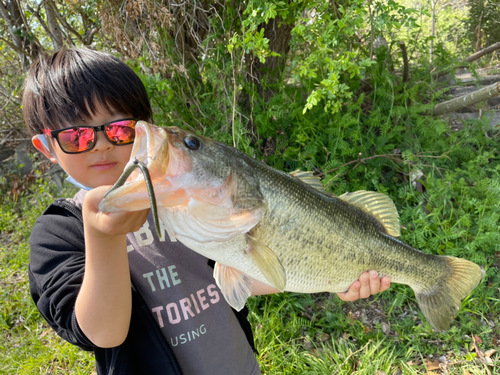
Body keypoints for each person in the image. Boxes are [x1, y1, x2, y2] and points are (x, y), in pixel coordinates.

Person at [23, 48, 391, 375]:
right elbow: (104, 333)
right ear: (46, 147)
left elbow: (242, 274)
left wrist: (336, 277)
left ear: (145, 129)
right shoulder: (58, 232)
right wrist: (102, 234)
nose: (101, 145)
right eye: (77, 136)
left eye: (121, 129)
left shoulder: (185, 204)